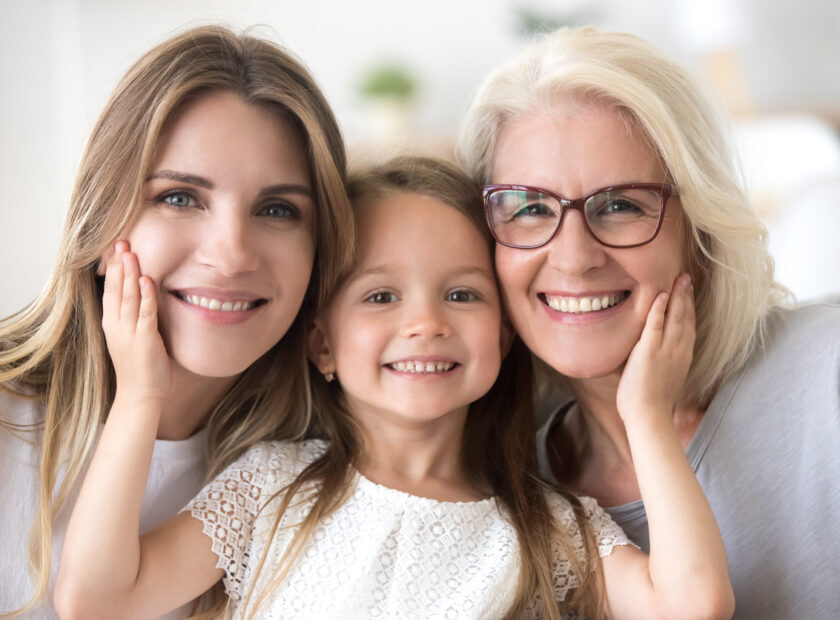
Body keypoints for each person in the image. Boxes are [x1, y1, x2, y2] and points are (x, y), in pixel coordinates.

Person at [55, 156, 732, 619]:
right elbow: (97, 597)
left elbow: (692, 605)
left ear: (502, 335)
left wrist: (641, 412)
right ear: (322, 343)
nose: (426, 324)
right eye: (380, 295)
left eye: (462, 294)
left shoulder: (550, 528)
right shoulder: (269, 489)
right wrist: (138, 395)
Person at [456, 26, 840, 619]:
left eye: (621, 205)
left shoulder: (825, 374)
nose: (574, 257)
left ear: (700, 233)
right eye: (530, 208)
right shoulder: (507, 490)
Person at [0, 25, 353, 618]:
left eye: (277, 209)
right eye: (181, 197)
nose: (232, 253)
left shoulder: (312, 467)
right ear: (102, 214)